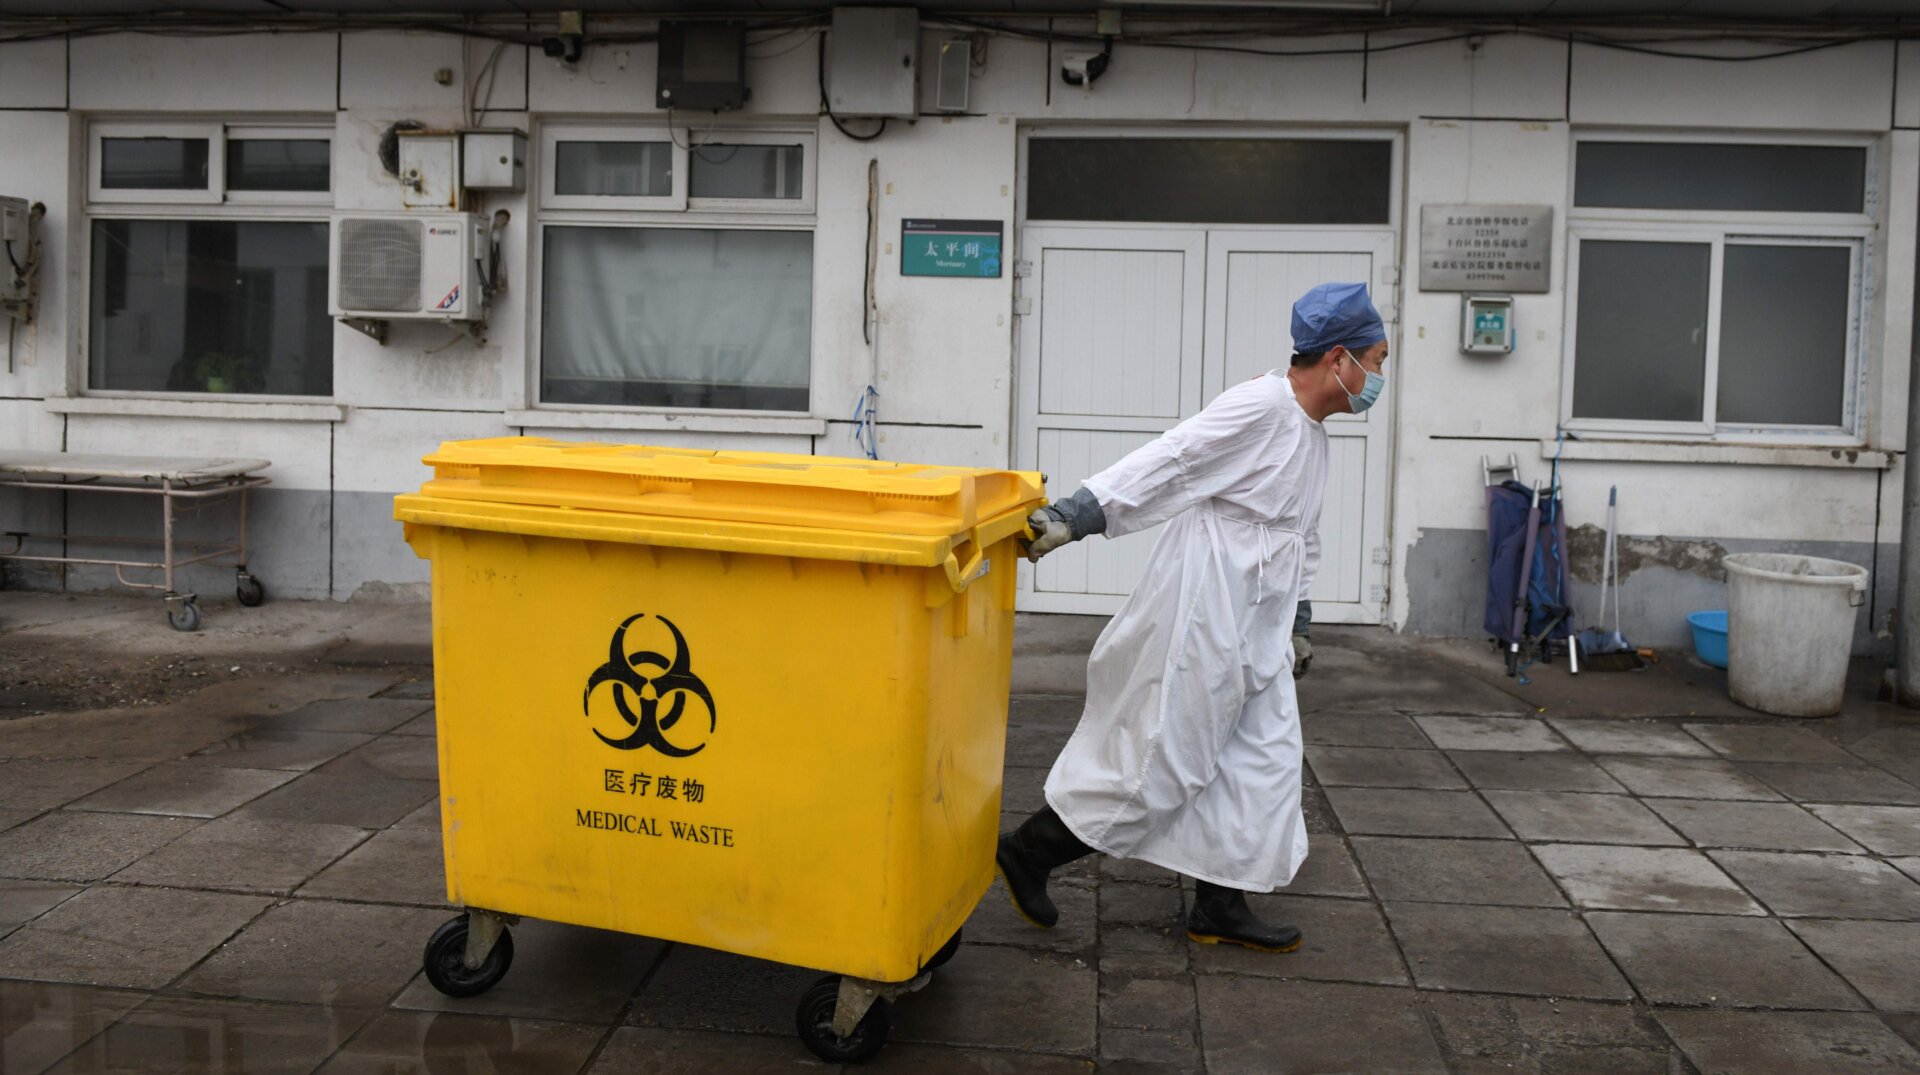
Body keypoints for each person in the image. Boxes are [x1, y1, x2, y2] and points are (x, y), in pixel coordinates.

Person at [1004, 281, 1388, 952]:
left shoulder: (1313, 433)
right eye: (1377, 359)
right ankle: (1029, 852)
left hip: (1259, 618)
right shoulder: (1260, 406)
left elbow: (1301, 531)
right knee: (1163, 760)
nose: (1379, 376)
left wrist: (1298, 617)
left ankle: (1219, 903)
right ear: (1339, 358)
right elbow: (1172, 459)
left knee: (1260, 762)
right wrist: (1078, 514)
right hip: (1207, 608)